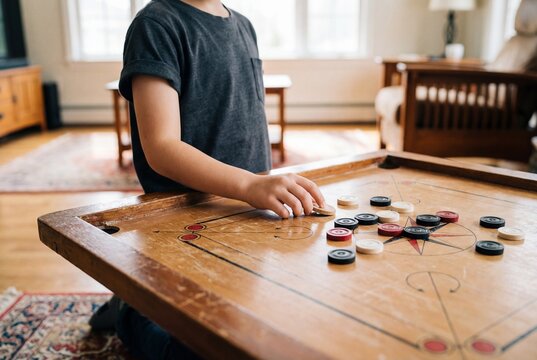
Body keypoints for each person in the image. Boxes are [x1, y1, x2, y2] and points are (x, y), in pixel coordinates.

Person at [90, 0, 326, 358]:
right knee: (193, 350)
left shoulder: (244, 25)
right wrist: (249, 185)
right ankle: (129, 305)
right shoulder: (155, 24)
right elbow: (162, 147)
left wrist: (258, 187)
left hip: (246, 218)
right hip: (186, 223)